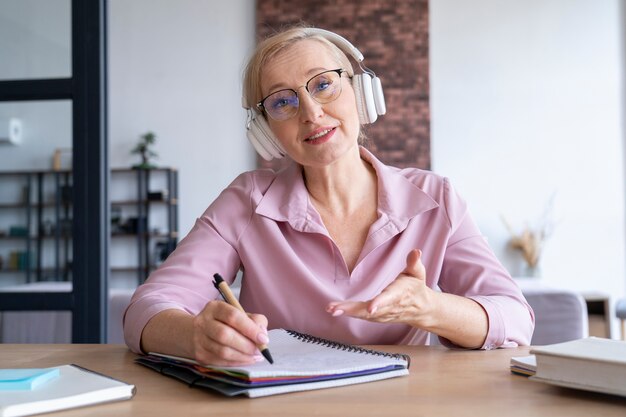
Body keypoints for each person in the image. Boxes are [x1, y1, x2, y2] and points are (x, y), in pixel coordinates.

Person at [123, 26, 534, 366]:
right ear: (266, 131)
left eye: (323, 85)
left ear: (361, 92)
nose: (311, 112)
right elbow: (146, 309)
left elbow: (515, 319)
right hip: (281, 404)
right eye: (283, 102)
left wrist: (430, 309)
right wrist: (195, 335)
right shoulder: (246, 201)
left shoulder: (435, 197)